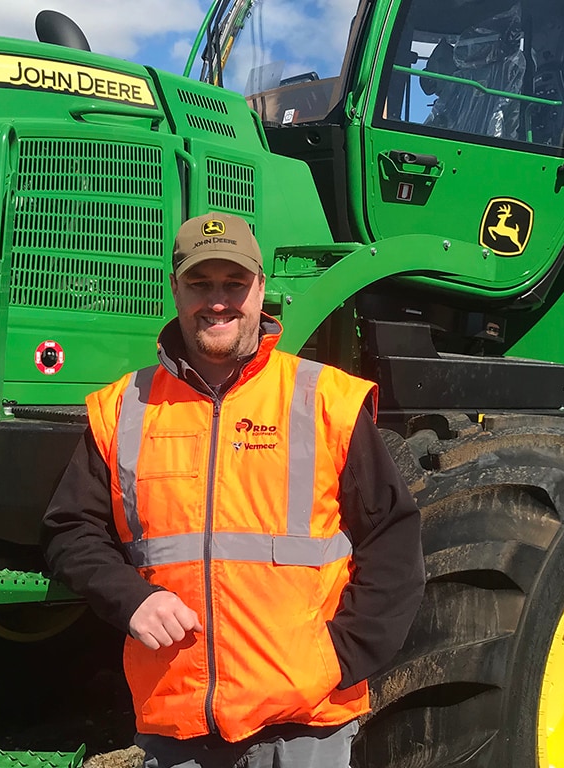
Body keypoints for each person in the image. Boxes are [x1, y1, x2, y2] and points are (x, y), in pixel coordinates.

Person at [42, 212, 426, 768]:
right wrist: (132, 600)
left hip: (305, 726)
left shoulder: (322, 401)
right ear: (175, 290)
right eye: (201, 284)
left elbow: (392, 538)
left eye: (234, 284)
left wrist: (336, 659)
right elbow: (69, 530)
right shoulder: (125, 408)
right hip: (178, 724)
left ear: (261, 289)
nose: (218, 301)